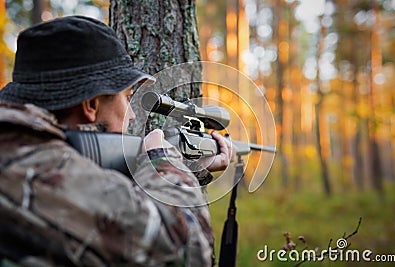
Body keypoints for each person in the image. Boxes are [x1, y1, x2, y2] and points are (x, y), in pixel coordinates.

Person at [0, 16, 233, 267]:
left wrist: (187, 168)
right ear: (91, 105)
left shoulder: (20, 148)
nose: (132, 113)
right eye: (127, 97)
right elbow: (186, 252)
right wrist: (163, 161)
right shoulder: (38, 166)